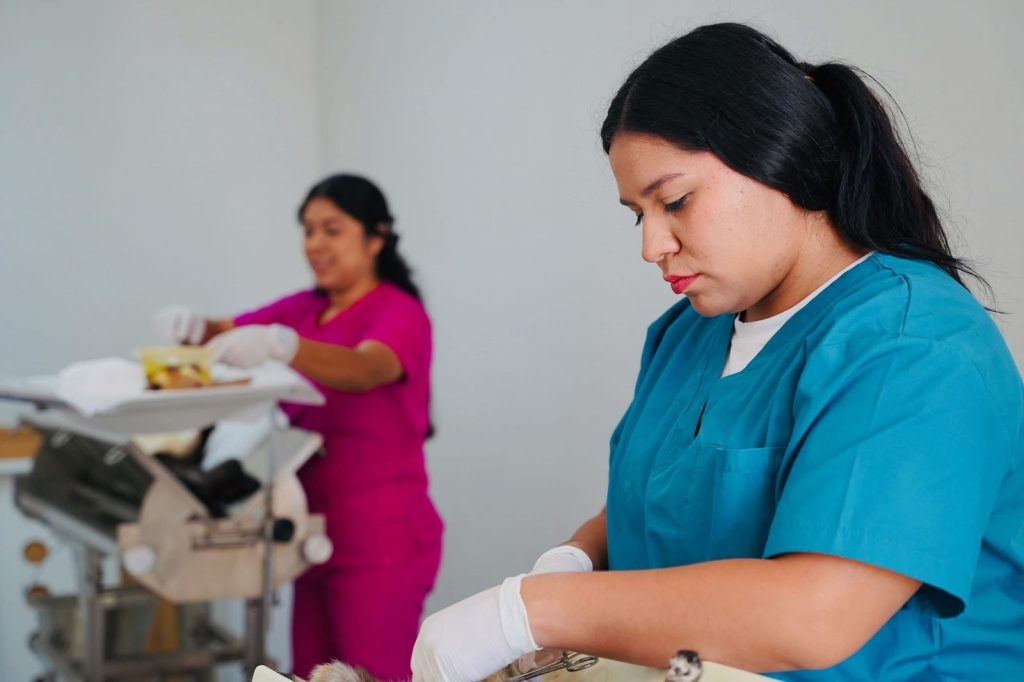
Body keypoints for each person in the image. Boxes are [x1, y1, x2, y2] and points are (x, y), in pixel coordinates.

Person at [410, 23, 1023, 681]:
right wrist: (578, 557)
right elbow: (668, 496)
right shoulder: (690, 334)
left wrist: (530, 611)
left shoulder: (912, 345)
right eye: (637, 214)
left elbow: (815, 616)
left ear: (780, 156)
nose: (652, 246)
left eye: (675, 202)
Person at [154, 174, 444, 681]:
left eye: (332, 229)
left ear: (376, 237)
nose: (314, 244)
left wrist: (284, 346)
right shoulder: (305, 309)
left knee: (372, 675)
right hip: (310, 535)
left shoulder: (399, 312)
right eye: (308, 231)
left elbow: (366, 368)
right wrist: (194, 326)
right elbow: (226, 331)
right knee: (308, 674)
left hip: (380, 541)